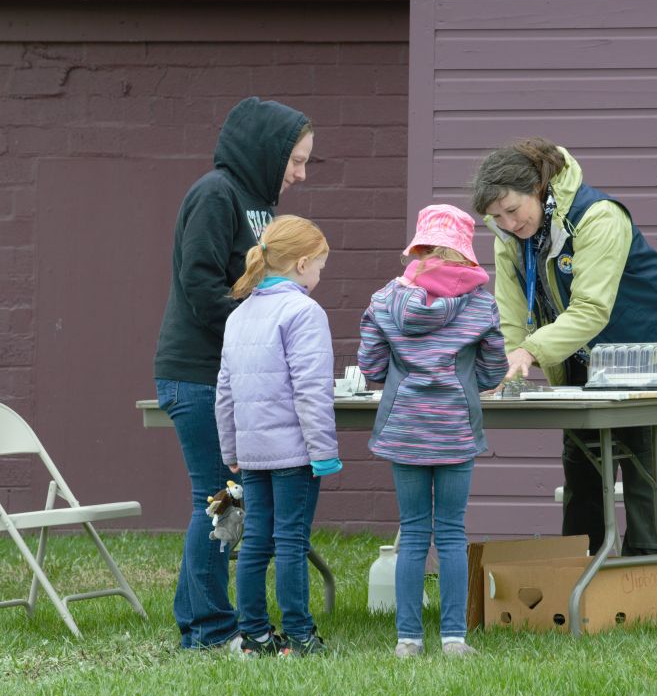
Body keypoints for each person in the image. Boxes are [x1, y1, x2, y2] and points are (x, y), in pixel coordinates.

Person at [470, 137, 657, 556]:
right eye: (496, 217)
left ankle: (649, 577)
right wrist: (505, 361)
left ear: (537, 188)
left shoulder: (598, 217)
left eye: (513, 211)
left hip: (648, 349)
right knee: (582, 470)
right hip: (581, 355)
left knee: (643, 467)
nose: (508, 224)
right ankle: (579, 572)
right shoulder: (509, 239)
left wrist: (530, 352)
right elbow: (510, 314)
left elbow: (592, 309)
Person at [153, 97, 313, 650]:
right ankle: (211, 630)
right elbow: (199, 283)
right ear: (267, 150)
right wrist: (259, 333)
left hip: (233, 376)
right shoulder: (215, 194)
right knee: (223, 495)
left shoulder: (257, 205)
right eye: (295, 159)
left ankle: (199, 618)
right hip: (196, 374)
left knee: (230, 496)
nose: (300, 172)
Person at [358, 204, 507, 658]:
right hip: (455, 429)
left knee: (414, 530)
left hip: (405, 428)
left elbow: (371, 366)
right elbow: (493, 368)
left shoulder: (384, 299)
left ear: (418, 249)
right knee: (451, 532)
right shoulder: (480, 301)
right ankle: (454, 637)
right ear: (465, 253)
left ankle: (408, 638)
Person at [215, 215, 340, 657]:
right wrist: (324, 452)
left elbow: (224, 392)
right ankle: (301, 635)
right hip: (294, 454)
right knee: (290, 541)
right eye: (321, 266)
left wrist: (231, 449)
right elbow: (312, 390)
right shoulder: (304, 312)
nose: (321, 276)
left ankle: (254, 636)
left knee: (256, 542)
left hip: (252, 453)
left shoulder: (240, 314)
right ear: (302, 263)